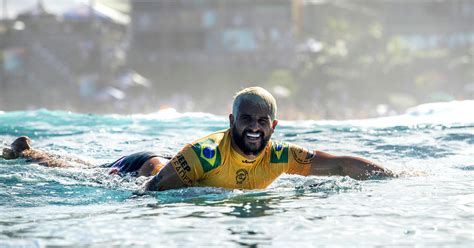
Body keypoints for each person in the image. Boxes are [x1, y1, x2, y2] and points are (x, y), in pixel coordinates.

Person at [144, 87, 394, 191]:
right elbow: (150, 192)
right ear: (232, 121)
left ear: (273, 127)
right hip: (139, 165)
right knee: (154, 166)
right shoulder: (205, 155)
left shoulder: (280, 156)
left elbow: (342, 165)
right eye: (246, 119)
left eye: (262, 121)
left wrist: (394, 177)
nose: (254, 127)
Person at [1, 136, 165, 177]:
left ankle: (27, 151)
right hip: (147, 165)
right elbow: (150, 186)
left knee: (89, 169)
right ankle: (23, 150)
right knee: (81, 171)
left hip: (146, 161)